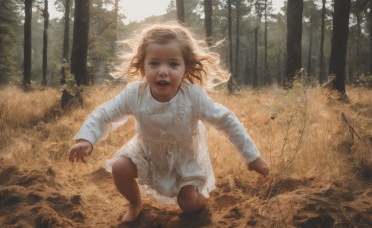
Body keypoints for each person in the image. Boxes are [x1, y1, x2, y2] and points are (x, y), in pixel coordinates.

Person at [68, 23, 270, 223]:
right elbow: (105, 114)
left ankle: (201, 197)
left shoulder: (193, 97)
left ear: (185, 68)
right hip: (146, 154)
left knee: (188, 203)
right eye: (154, 63)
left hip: (184, 161)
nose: (163, 71)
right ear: (142, 66)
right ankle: (135, 203)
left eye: (173, 64)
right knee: (120, 168)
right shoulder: (135, 94)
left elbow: (226, 120)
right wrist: (87, 138)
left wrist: (252, 157)